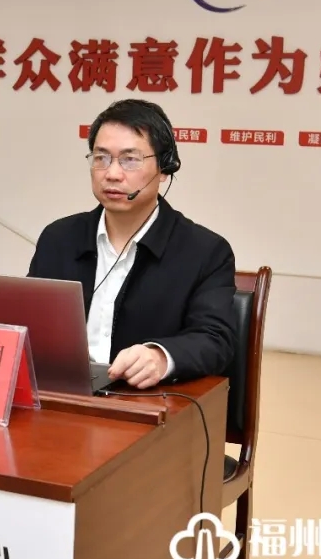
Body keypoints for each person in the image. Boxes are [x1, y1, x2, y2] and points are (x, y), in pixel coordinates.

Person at [27, 99, 237, 389]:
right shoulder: (58, 238)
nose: (112, 173)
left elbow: (215, 339)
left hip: (142, 401)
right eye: (101, 158)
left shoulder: (205, 251)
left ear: (165, 168)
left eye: (130, 160)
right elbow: (28, 324)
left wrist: (161, 357)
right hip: (60, 394)